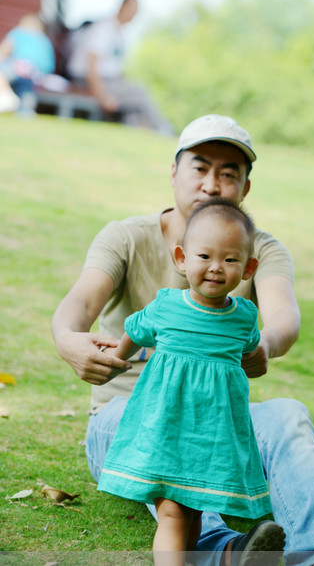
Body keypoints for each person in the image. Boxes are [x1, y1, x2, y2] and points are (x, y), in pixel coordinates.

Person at [52, 114, 314, 566]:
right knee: (175, 459)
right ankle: (227, 552)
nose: (212, 183)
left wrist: (265, 343)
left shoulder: (257, 249)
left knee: (289, 414)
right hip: (125, 417)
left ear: (245, 188)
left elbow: (284, 315)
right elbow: (79, 304)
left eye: (229, 173)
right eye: (200, 167)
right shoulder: (127, 235)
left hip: (216, 416)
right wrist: (66, 339)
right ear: (174, 172)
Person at [97, 198, 285, 565]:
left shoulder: (245, 317)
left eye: (230, 260)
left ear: (248, 268)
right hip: (165, 424)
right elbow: (134, 329)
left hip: (212, 433)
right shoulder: (166, 305)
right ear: (182, 259)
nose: (216, 268)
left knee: (196, 506)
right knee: (170, 510)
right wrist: (119, 356)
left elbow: (249, 355)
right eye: (205, 256)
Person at [66, 0, 173, 134]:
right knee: (139, 92)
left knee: (132, 109)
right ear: (123, 7)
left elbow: (114, 68)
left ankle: (134, 136)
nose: (134, 15)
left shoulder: (120, 33)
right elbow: (91, 65)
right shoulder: (104, 29)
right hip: (85, 80)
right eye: (132, 10)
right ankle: (164, 130)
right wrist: (102, 96)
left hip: (109, 81)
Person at [0, 13, 55, 114]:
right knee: (26, 90)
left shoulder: (19, 33)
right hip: (37, 73)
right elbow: (49, 64)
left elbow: (4, 50)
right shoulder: (45, 40)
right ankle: (26, 110)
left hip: (20, 66)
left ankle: (6, 95)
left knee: (2, 73)